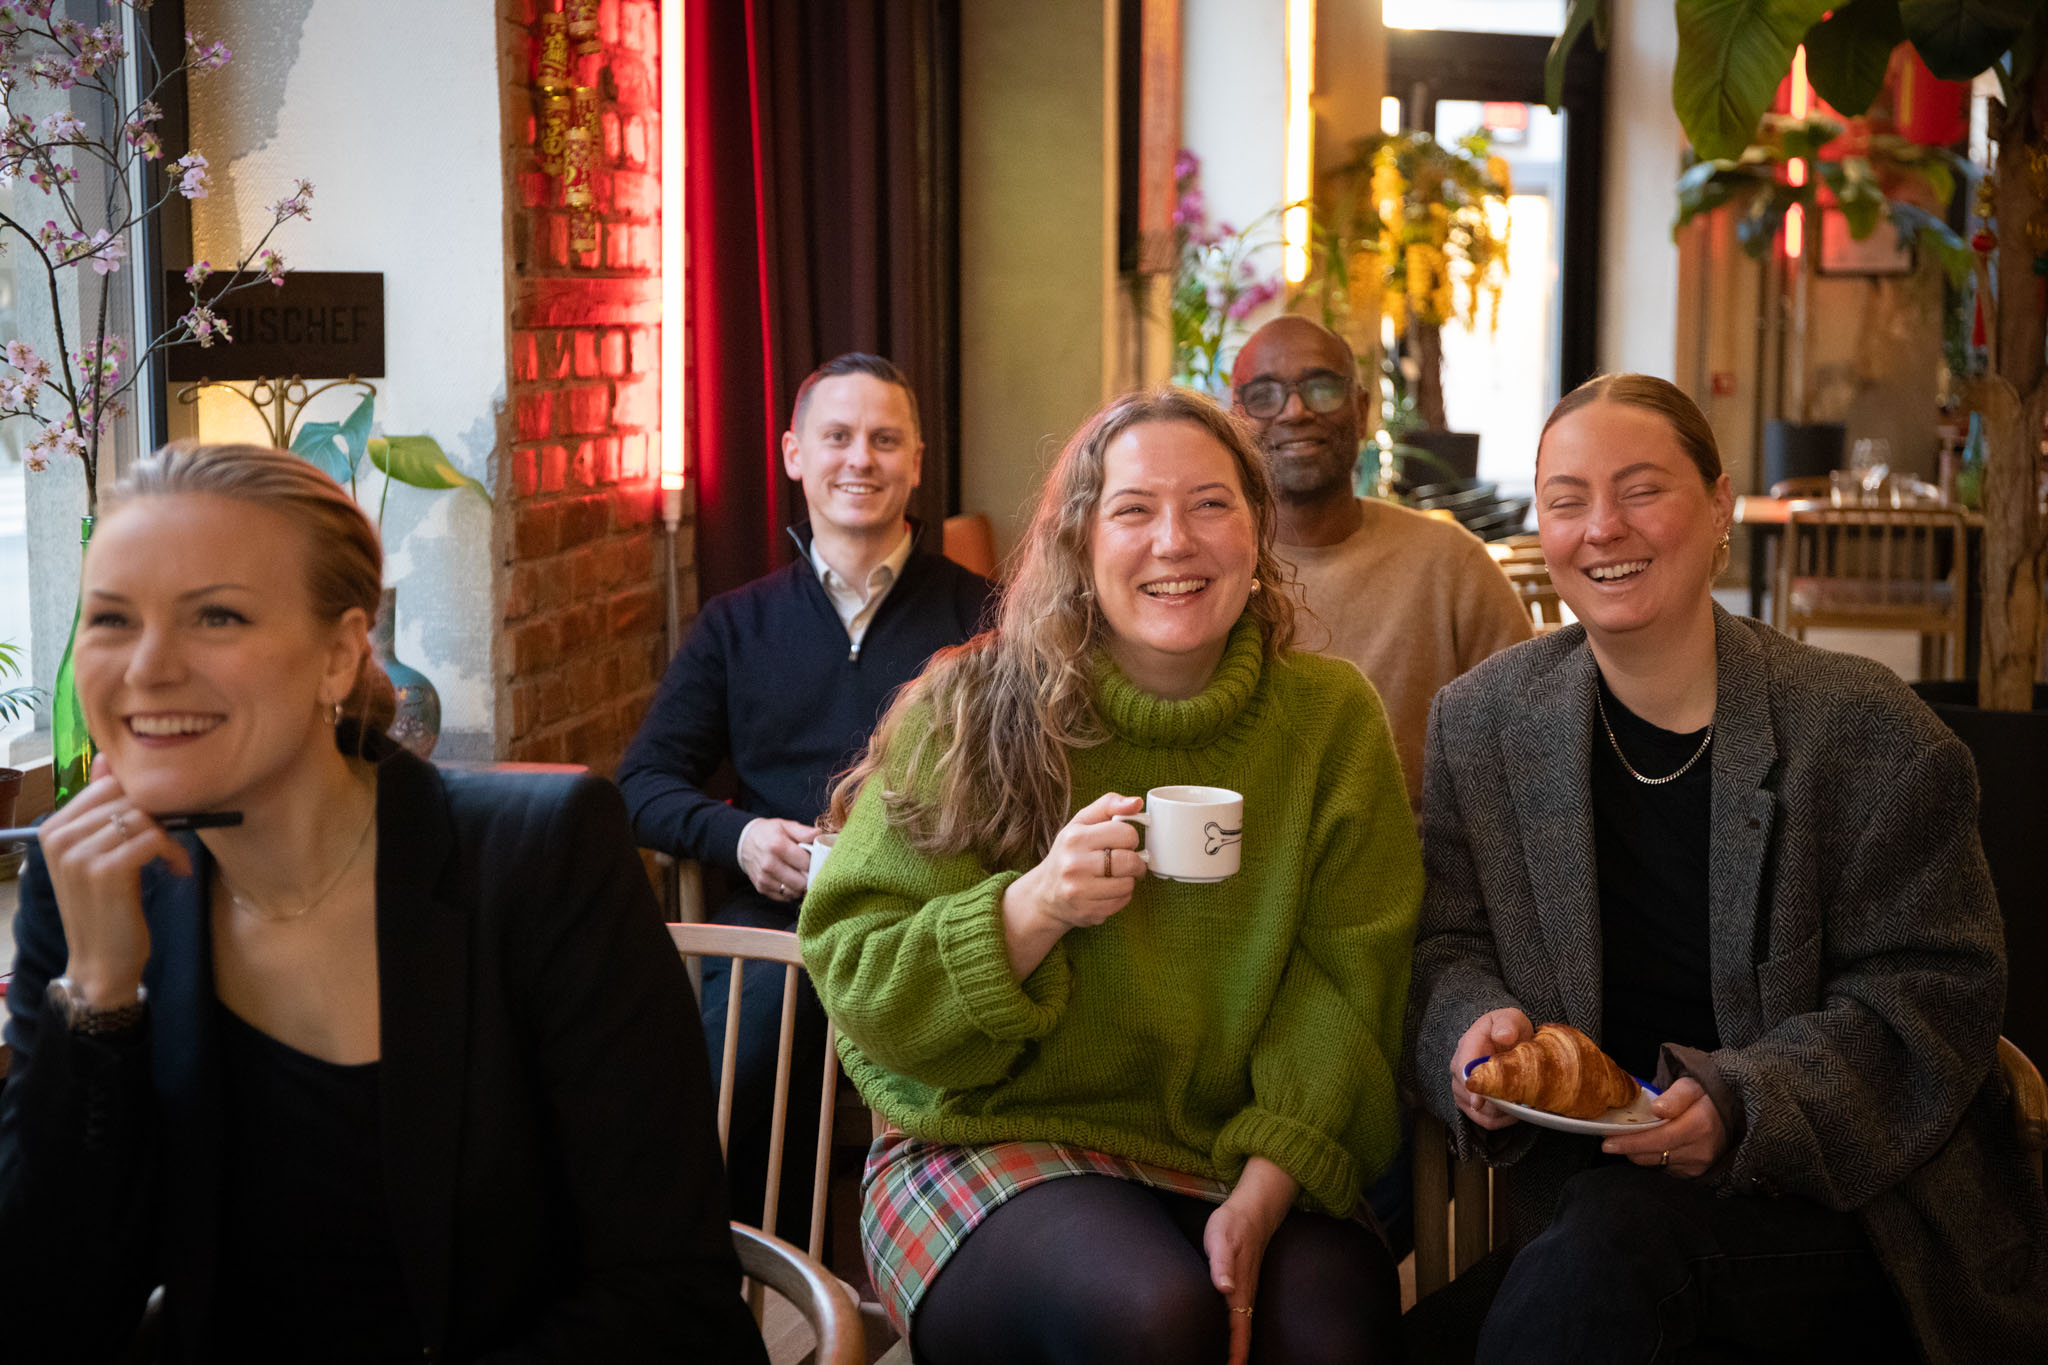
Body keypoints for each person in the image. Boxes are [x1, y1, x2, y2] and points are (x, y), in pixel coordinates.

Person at [0, 444, 766, 1364]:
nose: (148, 667)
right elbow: (47, 1315)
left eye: (216, 616)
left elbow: (671, 1300)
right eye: (112, 619)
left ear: (337, 654)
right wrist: (97, 997)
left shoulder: (538, 857)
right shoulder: (83, 885)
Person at [1404, 374, 2048, 1364]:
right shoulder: (1483, 722)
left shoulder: (1867, 733)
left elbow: (1932, 997)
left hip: (1842, 1211)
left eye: (1641, 490)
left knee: (1604, 1264)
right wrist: (1467, 1028)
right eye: (1565, 500)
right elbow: (1446, 940)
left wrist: (1746, 1104)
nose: (1601, 528)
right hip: (1590, 1222)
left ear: (1717, 508)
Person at [801, 388, 1423, 1365]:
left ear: (1257, 534)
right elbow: (860, 975)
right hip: (984, 1134)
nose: (1174, 540)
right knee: (1153, 1314)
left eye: (1211, 505)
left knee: (1332, 1332)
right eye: (1133, 510)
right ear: (1078, 545)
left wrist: (1265, 1188)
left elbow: (1346, 983)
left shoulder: (1327, 722)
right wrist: (1029, 909)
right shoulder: (972, 708)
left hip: (1234, 1142)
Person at [617, 351, 991, 1239]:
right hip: (778, 916)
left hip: (927, 915)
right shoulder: (736, 623)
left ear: (916, 463)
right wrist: (741, 838)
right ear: (794, 454)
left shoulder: (982, 617)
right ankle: (743, 1267)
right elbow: (641, 784)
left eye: (884, 439)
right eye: (838, 437)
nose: (860, 458)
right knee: (736, 1058)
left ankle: (929, 1265)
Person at [1229, 315, 1530, 811]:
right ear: (1235, 419)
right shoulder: (1208, 573)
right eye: (1265, 394)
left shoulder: (1448, 563)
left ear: (1363, 408)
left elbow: (1524, 739)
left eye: (1321, 387)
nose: (1295, 411)